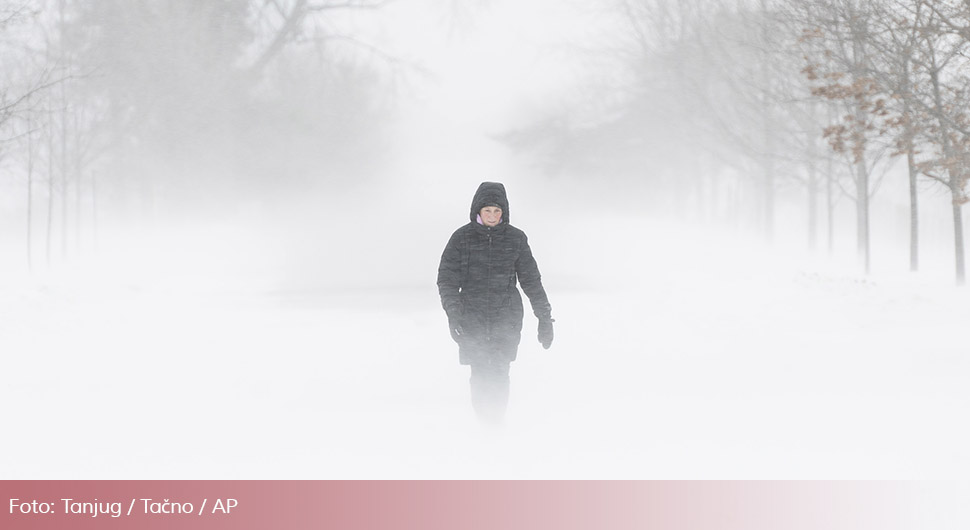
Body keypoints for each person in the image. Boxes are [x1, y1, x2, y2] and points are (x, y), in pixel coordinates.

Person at [437, 182, 554, 424]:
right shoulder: (461, 239)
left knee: (500, 371)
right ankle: (485, 424)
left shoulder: (516, 239)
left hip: (506, 318)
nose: (492, 216)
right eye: (487, 211)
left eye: (497, 211)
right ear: (477, 211)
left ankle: (495, 424)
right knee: (479, 372)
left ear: (504, 212)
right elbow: (447, 280)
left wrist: (544, 317)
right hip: (472, 317)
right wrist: (454, 313)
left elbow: (531, 281)